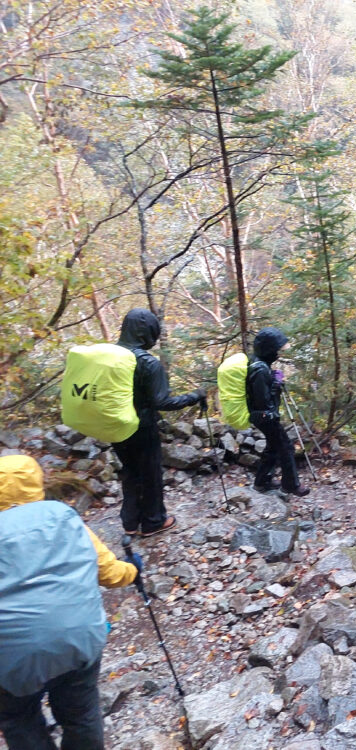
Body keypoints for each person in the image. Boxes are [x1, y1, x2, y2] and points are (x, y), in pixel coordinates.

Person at [0, 454, 138, 750]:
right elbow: (111, 574)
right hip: (77, 637)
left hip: (10, 656)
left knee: (19, 719)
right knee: (81, 713)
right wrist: (133, 569)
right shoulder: (62, 516)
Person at [113, 308, 204, 536]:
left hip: (115, 426)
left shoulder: (112, 356)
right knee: (150, 474)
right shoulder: (148, 363)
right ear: (148, 333)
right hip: (141, 427)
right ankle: (153, 522)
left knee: (130, 472)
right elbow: (162, 402)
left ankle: (130, 522)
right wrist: (193, 397)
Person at [247, 327, 309, 496]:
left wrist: (273, 378)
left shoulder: (260, 364)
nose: (278, 353)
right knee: (286, 447)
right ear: (268, 349)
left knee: (273, 446)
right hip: (265, 417)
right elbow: (263, 401)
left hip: (262, 416)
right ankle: (290, 484)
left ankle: (262, 481)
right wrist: (275, 384)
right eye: (276, 349)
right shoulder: (260, 370)